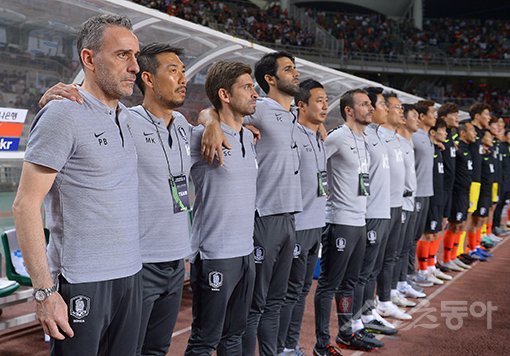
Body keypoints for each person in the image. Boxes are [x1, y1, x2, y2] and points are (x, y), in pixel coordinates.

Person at [38, 42, 196, 356]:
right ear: (148, 79)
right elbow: (80, 121)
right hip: (135, 263)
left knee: (156, 348)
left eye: (184, 71)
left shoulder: (183, 127)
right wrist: (46, 100)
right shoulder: (126, 120)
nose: (184, 79)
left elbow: (219, 125)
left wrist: (214, 120)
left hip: (175, 261)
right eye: (174, 70)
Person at [12, 15, 142, 355]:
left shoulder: (127, 117)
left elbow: (174, 115)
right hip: (82, 280)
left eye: (136, 56)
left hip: (130, 273)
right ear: (89, 59)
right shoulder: (62, 114)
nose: (134, 66)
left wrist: (209, 118)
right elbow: (25, 206)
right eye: (122, 55)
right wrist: (43, 293)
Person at [185, 61, 258, 355]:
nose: (255, 93)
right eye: (247, 87)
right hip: (215, 254)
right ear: (225, 95)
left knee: (235, 336)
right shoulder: (200, 136)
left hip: (245, 252)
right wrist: (209, 121)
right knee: (205, 340)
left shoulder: (249, 137)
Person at [313, 89, 372, 356]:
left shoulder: (363, 139)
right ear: (349, 110)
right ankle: (321, 343)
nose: (370, 108)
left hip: (359, 221)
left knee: (350, 283)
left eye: (370, 104)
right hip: (339, 221)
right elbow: (315, 164)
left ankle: (346, 332)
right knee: (328, 284)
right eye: (364, 104)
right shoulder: (337, 137)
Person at [277, 79, 328, 356]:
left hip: (316, 224)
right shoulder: (292, 133)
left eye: (326, 100)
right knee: (289, 291)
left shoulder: (320, 136)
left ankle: (290, 344)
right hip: (296, 225)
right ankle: (279, 346)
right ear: (301, 105)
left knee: (301, 290)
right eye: (319, 100)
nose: (324, 105)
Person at [348, 87, 397, 337]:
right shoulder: (361, 136)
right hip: (368, 213)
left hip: (382, 211)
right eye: (380, 105)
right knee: (361, 272)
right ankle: (356, 320)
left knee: (371, 270)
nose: (383, 109)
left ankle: (367, 312)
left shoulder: (376, 135)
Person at [416, 118, 452, 284]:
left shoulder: (438, 149)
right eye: (443, 130)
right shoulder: (428, 150)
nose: (445, 133)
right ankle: (423, 269)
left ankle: (431, 266)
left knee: (436, 231)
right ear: (432, 132)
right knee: (427, 234)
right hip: (428, 196)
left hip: (440, 196)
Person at [441, 122, 477, 269]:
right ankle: (446, 258)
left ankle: (454, 256)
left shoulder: (467, 149)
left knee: (461, 224)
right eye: (472, 131)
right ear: (463, 133)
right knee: (454, 225)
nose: (475, 134)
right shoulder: (457, 148)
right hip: (457, 192)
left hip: (465, 191)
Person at [409, 100, 436, 287]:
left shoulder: (427, 137)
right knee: (409, 238)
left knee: (416, 236)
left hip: (427, 193)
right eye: (432, 113)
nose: (435, 116)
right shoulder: (414, 137)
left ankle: (411, 273)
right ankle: (408, 275)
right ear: (421, 116)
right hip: (415, 194)